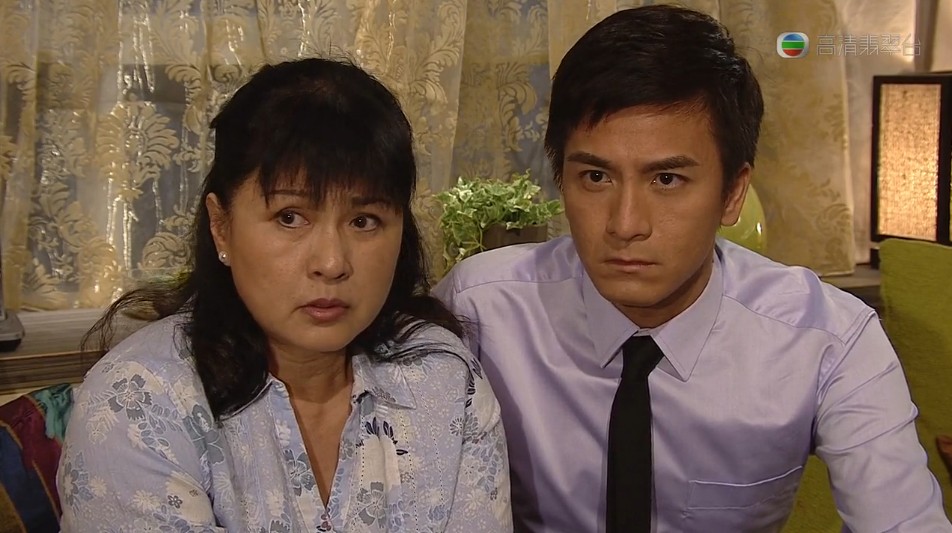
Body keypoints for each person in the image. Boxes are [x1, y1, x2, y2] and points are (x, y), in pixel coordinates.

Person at [434, 5, 952, 532]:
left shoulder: (827, 339)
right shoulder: (479, 310)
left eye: (667, 180)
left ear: (733, 193)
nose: (625, 224)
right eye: (595, 177)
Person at [57, 58, 512, 532]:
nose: (331, 263)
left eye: (364, 221)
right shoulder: (139, 401)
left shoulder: (443, 376)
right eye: (290, 217)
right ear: (221, 226)